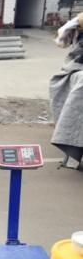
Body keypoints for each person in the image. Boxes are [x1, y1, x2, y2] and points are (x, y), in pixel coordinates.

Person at [49, 13, 83, 169]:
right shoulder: (78, 24)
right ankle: (70, 143)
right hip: (77, 68)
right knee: (58, 86)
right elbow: (61, 41)